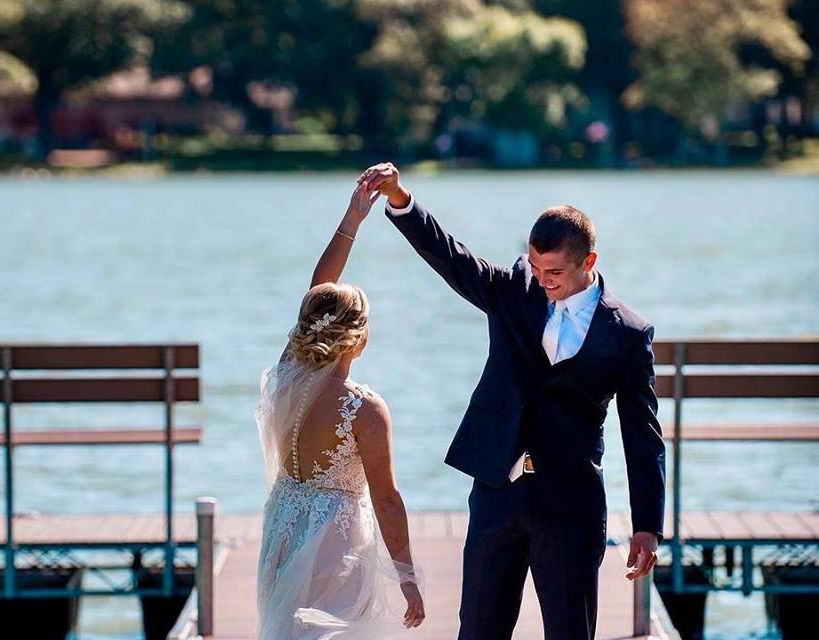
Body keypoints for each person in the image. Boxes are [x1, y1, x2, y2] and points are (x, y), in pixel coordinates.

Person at [356, 162, 666, 640]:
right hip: (497, 493)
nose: (543, 279)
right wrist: (401, 199)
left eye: (555, 272)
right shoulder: (513, 290)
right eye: (536, 267)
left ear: (589, 261)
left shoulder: (627, 333)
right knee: (478, 631)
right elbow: (451, 258)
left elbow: (642, 432)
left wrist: (647, 525)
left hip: (571, 503)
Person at [255, 181, 425, 639]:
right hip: (337, 542)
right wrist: (408, 579)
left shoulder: (287, 374)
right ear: (360, 338)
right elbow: (387, 500)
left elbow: (318, 292)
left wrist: (352, 220)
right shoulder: (365, 409)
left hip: (284, 528)